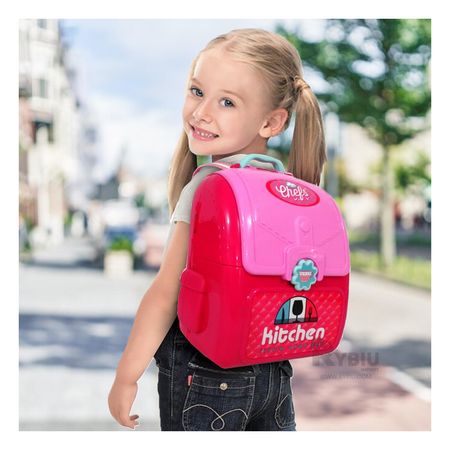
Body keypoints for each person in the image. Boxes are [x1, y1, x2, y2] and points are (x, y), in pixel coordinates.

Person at [108, 27, 326, 431]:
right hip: (272, 369)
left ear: (272, 121)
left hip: (206, 371)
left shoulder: (211, 185)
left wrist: (127, 375)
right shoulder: (288, 189)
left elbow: (166, 292)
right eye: (196, 91)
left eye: (227, 101)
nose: (201, 111)